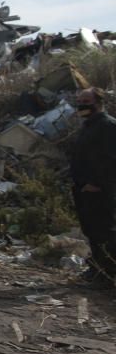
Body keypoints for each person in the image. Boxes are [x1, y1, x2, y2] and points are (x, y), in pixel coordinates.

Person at [69, 88, 116, 288]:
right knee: (91, 231)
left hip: (100, 191)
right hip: (84, 190)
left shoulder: (107, 126)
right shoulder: (88, 125)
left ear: (98, 103)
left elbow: (110, 160)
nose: (81, 104)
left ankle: (106, 274)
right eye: (79, 100)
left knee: (103, 232)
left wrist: (97, 183)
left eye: (86, 100)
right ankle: (96, 268)